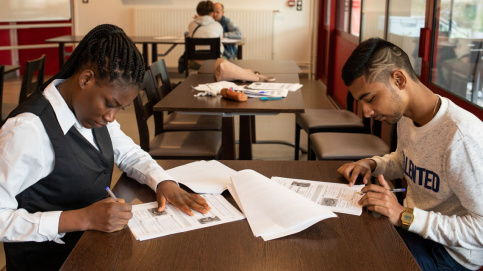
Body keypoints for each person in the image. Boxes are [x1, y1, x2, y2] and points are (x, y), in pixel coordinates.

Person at [0, 24, 210, 270]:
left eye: (120, 108)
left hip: (92, 249)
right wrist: (80, 218)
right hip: (51, 262)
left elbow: (130, 154)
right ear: (86, 79)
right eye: (110, 104)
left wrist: (163, 181)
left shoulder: (89, 113)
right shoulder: (28, 130)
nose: (112, 117)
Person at [337, 38, 483, 271]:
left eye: (371, 99)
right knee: (348, 242)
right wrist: (372, 164)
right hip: (414, 230)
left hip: (451, 254)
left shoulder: (462, 138)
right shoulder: (405, 116)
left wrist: (405, 215)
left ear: (399, 79)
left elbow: (481, 230)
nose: (366, 112)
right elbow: (405, 160)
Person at [188, 0, 224, 69]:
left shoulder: (191, 24)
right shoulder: (218, 25)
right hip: (214, 61)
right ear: (212, 12)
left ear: (198, 12)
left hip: (195, 60)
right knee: (224, 58)